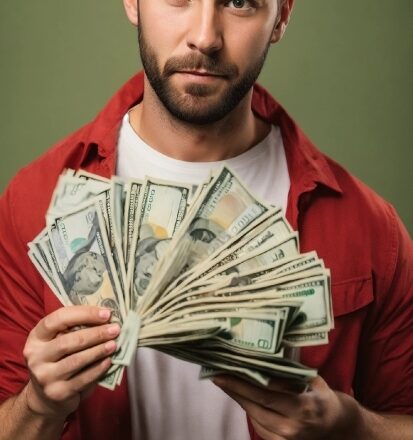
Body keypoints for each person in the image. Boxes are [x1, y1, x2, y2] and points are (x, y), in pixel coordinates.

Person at [0, 0, 412, 439]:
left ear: (282, 16)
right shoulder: (32, 203)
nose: (205, 36)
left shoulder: (369, 228)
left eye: (239, 2)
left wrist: (354, 429)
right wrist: (37, 406)